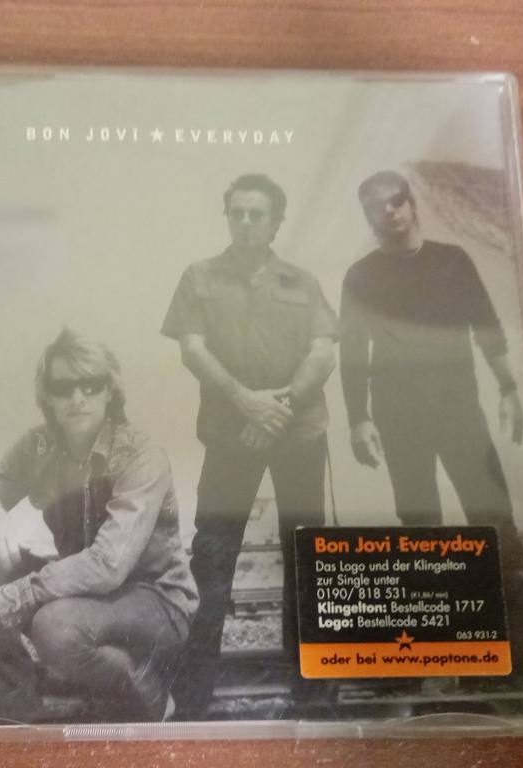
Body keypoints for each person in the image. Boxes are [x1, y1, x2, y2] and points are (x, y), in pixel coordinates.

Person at [339, 170, 523, 685]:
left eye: (395, 200)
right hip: (398, 420)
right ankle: (440, 666)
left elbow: (488, 330)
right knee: (421, 537)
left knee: (496, 525)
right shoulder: (361, 276)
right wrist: (358, 420)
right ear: (367, 216)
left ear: (411, 203)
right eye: (375, 206)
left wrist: (508, 389)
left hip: (460, 413)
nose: (388, 211)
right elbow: (352, 354)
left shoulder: (453, 261)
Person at [0, 329, 197, 723]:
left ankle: (149, 693)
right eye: (63, 387)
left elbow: (108, 566)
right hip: (78, 591)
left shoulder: (142, 456)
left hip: (153, 599)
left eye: (90, 384)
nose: (77, 398)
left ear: (110, 391)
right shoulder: (37, 447)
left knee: (54, 627)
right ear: (48, 398)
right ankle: (7, 715)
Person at [161, 173, 339, 718]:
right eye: (235, 212)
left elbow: (323, 351)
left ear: (275, 222)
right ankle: (192, 696)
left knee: (307, 553)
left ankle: (313, 692)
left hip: (298, 434)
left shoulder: (302, 282)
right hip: (231, 436)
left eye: (255, 214)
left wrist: (278, 406)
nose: (244, 222)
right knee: (213, 557)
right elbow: (192, 349)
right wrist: (246, 401)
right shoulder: (199, 276)